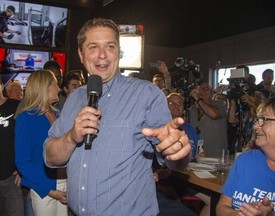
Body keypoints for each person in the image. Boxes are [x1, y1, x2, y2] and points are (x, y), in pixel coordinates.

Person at [43, 18, 191, 216]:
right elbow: (50, 158)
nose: (102, 55)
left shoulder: (146, 94)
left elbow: (173, 158)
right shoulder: (74, 98)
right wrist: (71, 137)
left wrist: (178, 152)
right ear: (81, 54)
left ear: (118, 52)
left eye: (110, 46)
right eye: (93, 47)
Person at [216, 96, 275, 216]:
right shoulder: (246, 161)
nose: (255, 126)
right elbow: (221, 209)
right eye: (257, 120)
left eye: (264, 120)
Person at [15, 70, 68, 216]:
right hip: (44, 187)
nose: (59, 88)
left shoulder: (58, 114)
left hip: (64, 182)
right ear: (45, 87)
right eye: (55, 84)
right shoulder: (26, 118)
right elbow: (22, 161)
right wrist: (49, 191)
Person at [0, 75, 24, 216]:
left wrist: (22, 169)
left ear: (1, 85)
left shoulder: (15, 106)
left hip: (11, 179)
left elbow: (27, 138)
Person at [190, 81, 228, 157]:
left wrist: (198, 99)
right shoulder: (193, 109)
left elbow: (214, 114)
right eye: (201, 89)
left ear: (212, 93)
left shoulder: (219, 104)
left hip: (216, 154)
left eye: (206, 89)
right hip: (199, 154)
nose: (202, 91)